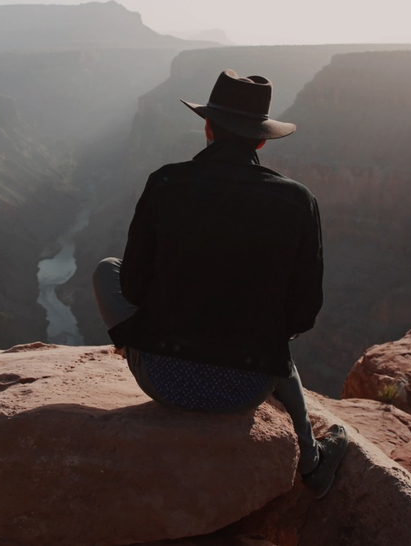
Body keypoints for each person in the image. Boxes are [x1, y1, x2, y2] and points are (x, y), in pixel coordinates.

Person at [93, 69, 348, 499]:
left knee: (105, 269)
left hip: (161, 377)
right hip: (246, 388)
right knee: (269, 325)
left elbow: (133, 290)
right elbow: (303, 314)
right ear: (262, 140)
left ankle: (310, 455)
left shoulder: (166, 182)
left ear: (207, 127)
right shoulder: (297, 201)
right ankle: (312, 461)